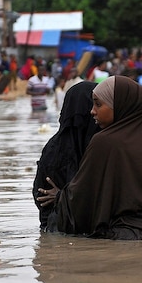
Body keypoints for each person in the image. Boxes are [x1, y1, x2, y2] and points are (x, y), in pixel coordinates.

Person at [37, 76, 142, 240]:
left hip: (123, 236)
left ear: (119, 105)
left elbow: (84, 196)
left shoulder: (104, 142)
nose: (92, 111)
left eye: (98, 104)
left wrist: (60, 198)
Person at [32, 81, 101, 230]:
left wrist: (61, 197)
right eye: (94, 105)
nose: (94, 111)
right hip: (66, 229)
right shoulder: (98, 145)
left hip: (55, 229)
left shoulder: (53, 147)